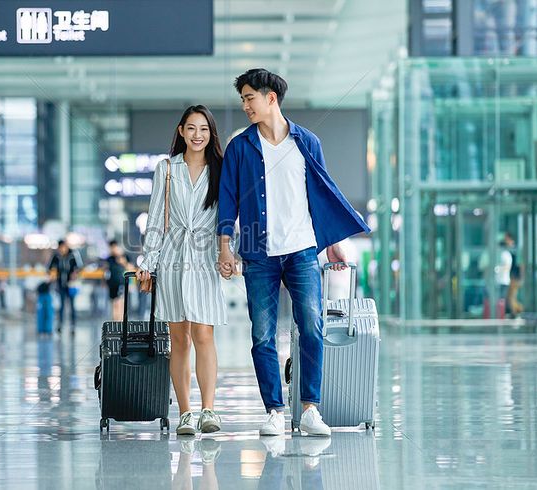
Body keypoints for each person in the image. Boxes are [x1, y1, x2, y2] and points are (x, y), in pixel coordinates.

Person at [217, 69, 370, 437]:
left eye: (250, 97)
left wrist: (333, 239)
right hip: (258, 253)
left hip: (302, 251)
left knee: (312, 329)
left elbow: (322, 192)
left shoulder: (307, 142)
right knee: (262, 335)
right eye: (242, 99)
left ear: (271, 98)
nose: (245, 105)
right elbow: (228, 200)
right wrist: (225, 245)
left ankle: (310, 409)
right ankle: (274, 410)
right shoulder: (241, 147)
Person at [136, 105, 227, 436]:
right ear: (180, 131)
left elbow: (228, 217)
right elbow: (156, 219)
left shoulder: (220, 168)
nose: (197, 135)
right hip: (173, 258)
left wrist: (230, 252)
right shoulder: (166, 169)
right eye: (191, 128)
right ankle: (186, 413)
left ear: (211, 133)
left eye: (203, 129)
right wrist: (147, 262)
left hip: (204, 259)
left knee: (204, 333)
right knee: (179, 339)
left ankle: (208, 409)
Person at [48, 239, 82, 332]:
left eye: (64, 247)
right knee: (61, 305)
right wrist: (52, 274)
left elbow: (79, 267)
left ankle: (73, 326)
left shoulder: (73, 255)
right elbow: (50, 267)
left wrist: (75, 273)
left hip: (71, 284)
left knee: (72, 305)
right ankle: (60, 325)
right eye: (60, 248)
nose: (62, 249)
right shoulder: (56, 256)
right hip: (61, 284)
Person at [106, 240, 134, 321]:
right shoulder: (109, 258)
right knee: (114, 303)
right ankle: (115, 321)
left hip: (121, 283)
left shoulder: (124, 256)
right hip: (112, 283)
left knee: (120, 303)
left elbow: (131, 268)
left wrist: (123, 262)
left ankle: (120, 321)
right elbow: (106, 270)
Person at [504, 231, 523, 316]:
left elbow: (521, 264)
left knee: (511, 296)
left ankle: (517, 311)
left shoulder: (515, 250)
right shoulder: (508, 249)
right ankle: (515, 311)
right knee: (510, 296)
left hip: (515, 276)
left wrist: (521, 277)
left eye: (506, 238)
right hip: (511, 276)